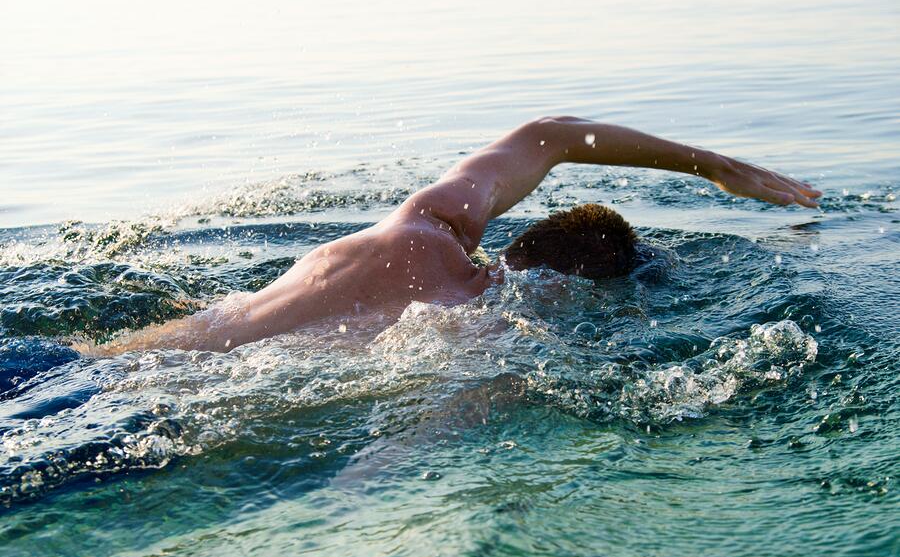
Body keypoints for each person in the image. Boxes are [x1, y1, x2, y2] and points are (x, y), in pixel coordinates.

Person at [88, 116, 821, 354]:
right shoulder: (480, 327)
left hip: (85, 363)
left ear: (520, 237)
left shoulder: (423, 225)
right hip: (153, 428)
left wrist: (717, 167)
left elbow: (550, 134)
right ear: (558, 282)